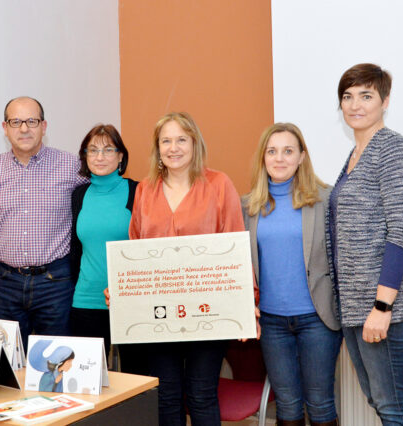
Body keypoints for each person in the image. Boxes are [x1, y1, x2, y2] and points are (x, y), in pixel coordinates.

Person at [128, 112, 248, 425]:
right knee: (166, 395)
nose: (174, 147)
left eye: (181, 139)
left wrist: (248, 303)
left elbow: (235, 246)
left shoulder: (218, 184)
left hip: (208, 310)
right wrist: (122, 289)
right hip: (157, 313)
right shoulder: (145, 190)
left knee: (201, 393)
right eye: (166, 140)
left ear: (194, 143)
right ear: (157, 147)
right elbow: (135, 248)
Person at [329, 63, 403, 425]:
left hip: (380, 307)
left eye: (366, 96)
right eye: (347, 97)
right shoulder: (355, 155)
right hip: (354, 305)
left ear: (384, 101)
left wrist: (383, 307)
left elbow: (399, 231)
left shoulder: (392, 149)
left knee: (394, 406)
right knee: (380, 402)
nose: (355, 105)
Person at [0, 96, 88, 350]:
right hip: (7, 285)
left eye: (32, 121)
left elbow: (98, 202)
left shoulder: (70, 165)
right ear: (5, 128)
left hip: (56, 283)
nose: (24, 129)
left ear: (44, 126)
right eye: (16, 122)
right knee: (8, 365)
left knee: (58, 361)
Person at [244, 123, 341, 426]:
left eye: (288, 151)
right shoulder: (248, 206)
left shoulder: (325, 200)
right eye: (272, 151)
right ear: (263, 158)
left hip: (317, 319)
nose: (279, 158)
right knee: (286, 403)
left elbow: (350, 250)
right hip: (272, 323)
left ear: (301, 157)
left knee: (320, 401)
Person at [69, 124, 148, 375]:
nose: (99, 157)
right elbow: (76, 249)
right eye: (92, 150)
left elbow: (147, 248)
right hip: (86, 300)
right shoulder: (79, 195)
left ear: (121, 155)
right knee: (87, 382)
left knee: (137, 381)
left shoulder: (138, 191)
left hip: (130, 302)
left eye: (107, 149)